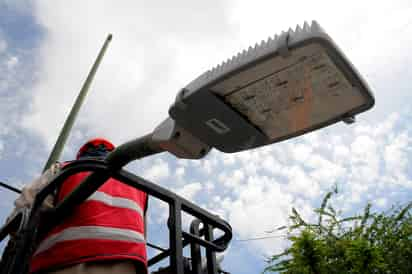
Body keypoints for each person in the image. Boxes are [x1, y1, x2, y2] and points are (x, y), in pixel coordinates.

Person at [9, 138, 148, 274]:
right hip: (129, 265)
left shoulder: (64, 168)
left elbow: (22, 212)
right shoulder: (139, 187)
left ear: (82, 155)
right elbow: (143, 234)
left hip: (62, 261)